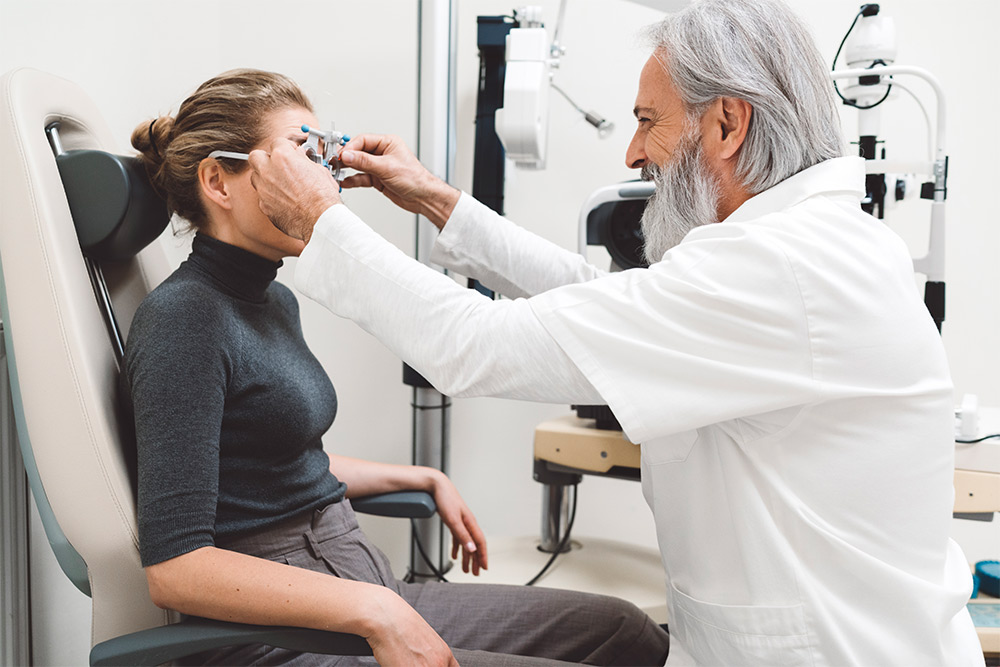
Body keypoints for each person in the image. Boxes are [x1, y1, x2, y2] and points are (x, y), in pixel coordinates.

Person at [246, 1, 986, 665]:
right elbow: (603, 300)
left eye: (646, 120)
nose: (632, 155)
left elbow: (476, 344)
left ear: (727, 124)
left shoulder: (784, 267)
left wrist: (320, 221)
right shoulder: (803, 247)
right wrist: (440, 203)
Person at [122, 68, 670, 667]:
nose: (320, 178)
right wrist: (374, 610)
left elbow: (267, 465)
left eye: (322, 156)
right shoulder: (183, 321)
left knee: (624, 631)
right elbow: (175, 569)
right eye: (297, 159)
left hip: (361, 580)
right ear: (217, 182)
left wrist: (419, 475)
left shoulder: (271, 299)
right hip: (279, 635)